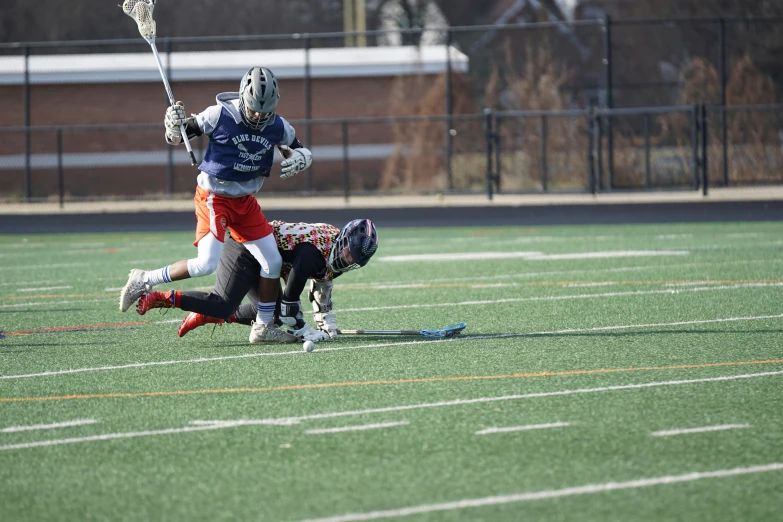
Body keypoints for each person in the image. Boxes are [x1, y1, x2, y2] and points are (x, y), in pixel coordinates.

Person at [119, 66, 313, 344]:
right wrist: (173, 125)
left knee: (272, 261)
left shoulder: (278, 126)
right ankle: (144, 278)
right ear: (244, 98)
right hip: (215, 198)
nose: (259, 116)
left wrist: (304, 157)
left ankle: (263, 327)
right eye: (254, 109)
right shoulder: (220, 114)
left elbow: (298, 147)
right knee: (205, 264)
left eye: (265, 110)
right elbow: (178, 136)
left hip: (245, 202)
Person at [134, 219, 379, 342]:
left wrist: (327, 323)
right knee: (225, 303)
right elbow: (290, 307)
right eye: (348, 253)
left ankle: (207, 315)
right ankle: (160, 297)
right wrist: (305, 330)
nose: (347, 260)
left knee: (268, 315)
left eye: (354, 259)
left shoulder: (334, 251)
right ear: (344, 240)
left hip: (266, 261)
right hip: (245, 247)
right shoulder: (314, 254)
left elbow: (321, 288)